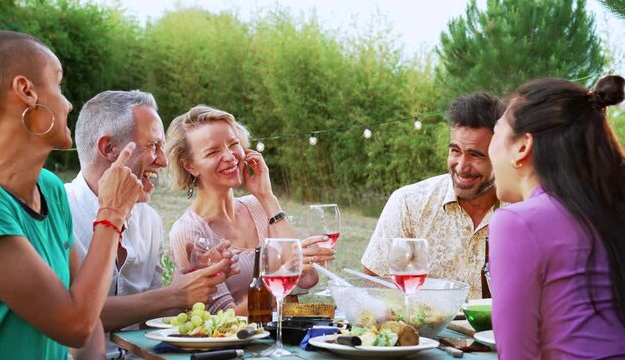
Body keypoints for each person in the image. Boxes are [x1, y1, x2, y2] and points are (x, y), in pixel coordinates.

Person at [0, 30, 142, 359]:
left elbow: (86, 312)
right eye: (57, 85)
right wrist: (112, 212)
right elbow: (74, 324)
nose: (69, 103)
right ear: (26, 91)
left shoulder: (51, 189)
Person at [67, 91, 235, 358]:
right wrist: (174, 296)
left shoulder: (149, 219)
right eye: (153, 146)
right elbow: (73, 316)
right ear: (109, 149)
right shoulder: (59, 213)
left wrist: (191, 278)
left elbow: (150, 321)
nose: (163, 160)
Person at [488, 75, 625, 358]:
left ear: (522, 146)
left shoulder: (517, 223)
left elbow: (517, 355)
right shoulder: (610, 210)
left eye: (496, 133)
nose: (491, 149)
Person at [165, 104, 334, 315]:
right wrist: (282, 276)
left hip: (283, 341)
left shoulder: (257, 205)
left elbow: (307, 279)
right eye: (213, 151)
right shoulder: (189, 231)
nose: (230, 156)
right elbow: (224, 318)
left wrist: (266, 196)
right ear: (190, 165)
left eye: (233, 144)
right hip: (237, 346)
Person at [361, 92, 506, 298]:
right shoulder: (409, 204)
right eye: (455, 151)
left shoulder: (522, 208)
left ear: (499, 155)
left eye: (475, 155)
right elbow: (371, 288)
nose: (462, 167)